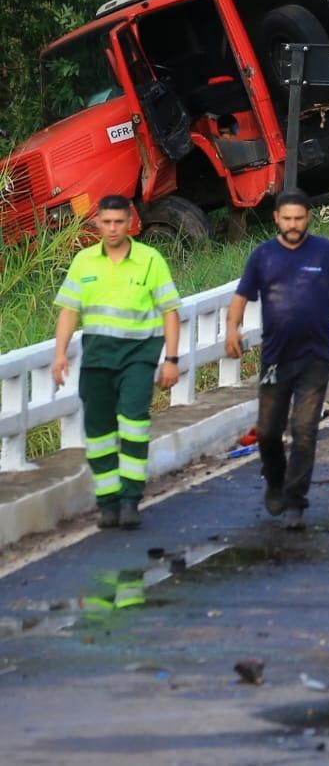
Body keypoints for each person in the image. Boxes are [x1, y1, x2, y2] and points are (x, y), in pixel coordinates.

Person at [225, 190, 329, 529]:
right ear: (277, 219)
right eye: (287, 219)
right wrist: (231, 330)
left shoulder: (325, 252)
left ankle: (295, 500)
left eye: (299, 218)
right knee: (267, 432)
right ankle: (276, 483)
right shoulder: (262, 256)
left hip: (315, 357)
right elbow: (240, 298)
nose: (293, 225)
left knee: (305, 429)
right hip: (275, 358)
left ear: (307, 217)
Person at [52, 196, 182, 530]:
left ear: (130, 222)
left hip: (138, 355)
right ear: (96, 223)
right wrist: (60, 353)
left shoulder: (150, 260)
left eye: (119, 222)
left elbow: (170, 311)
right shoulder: (84, 262)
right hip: (97, 357)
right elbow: (69, 310)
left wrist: (171, 359)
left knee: (134, 421)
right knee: (98, 433)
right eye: (106, 222)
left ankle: (130, 500)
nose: (112, 229)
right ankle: (108, 503)